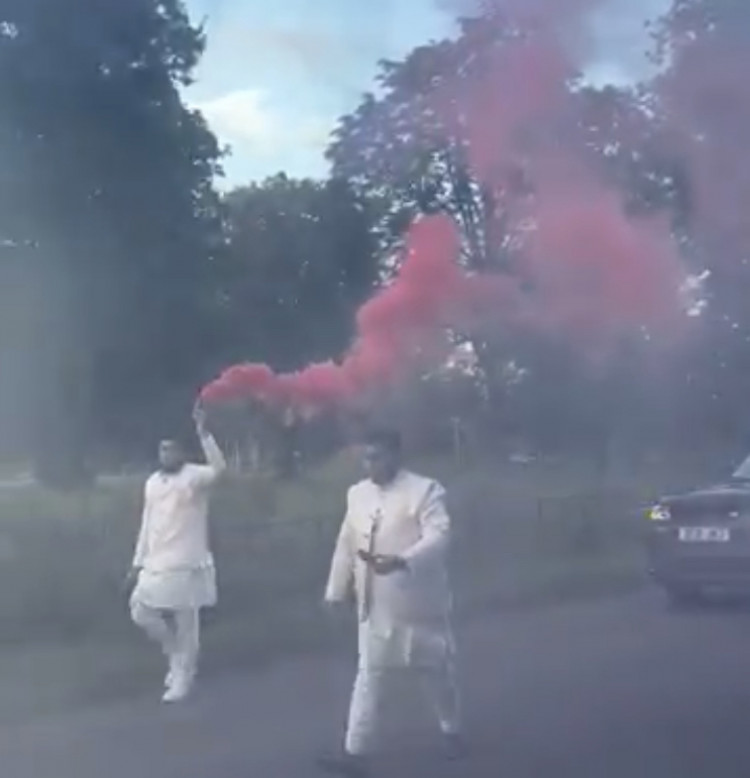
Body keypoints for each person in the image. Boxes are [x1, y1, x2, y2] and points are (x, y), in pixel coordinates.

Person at [319, 428, 465, 776]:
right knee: (368, 675)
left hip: (418, 605)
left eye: (379, 457)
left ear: (396, 456)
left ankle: (451, 729)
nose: (372, 464)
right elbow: (346, 543)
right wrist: (336, 590)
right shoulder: (357, 494)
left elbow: (440, 536)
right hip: (374, 607)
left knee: (435, 674)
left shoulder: (425, 490)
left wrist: (403, 560)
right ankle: (355, 753)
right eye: (367, 457)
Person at [127, 405, 226, 703]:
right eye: (162, 450)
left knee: (187, 620)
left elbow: (220, 470)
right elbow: (147, 523)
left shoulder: (194, 477)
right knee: (140, 611)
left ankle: (183, 676)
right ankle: (174, 655)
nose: (166, 455)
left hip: (188, 561)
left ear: (182, 451)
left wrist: (204, 433)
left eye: (172, 449)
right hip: (156, 562)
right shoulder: (153, 482)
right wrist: (136, 562)